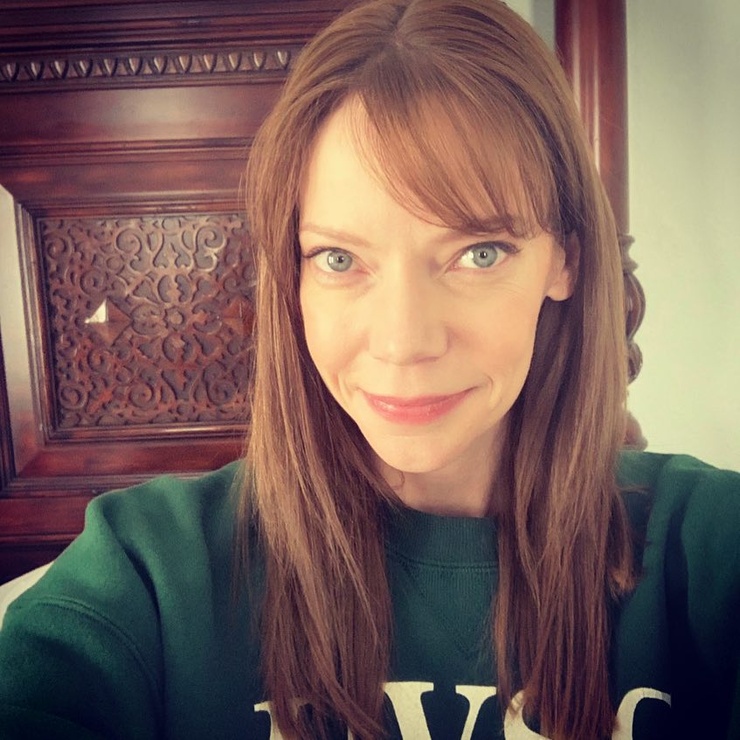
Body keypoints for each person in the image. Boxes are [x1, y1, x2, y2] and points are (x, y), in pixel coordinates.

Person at [0, 0, 739, 738]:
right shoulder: (150, 575)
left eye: (478, 253)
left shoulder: (711, 553)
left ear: (564, 260)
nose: (403, 341)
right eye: (339, 258)